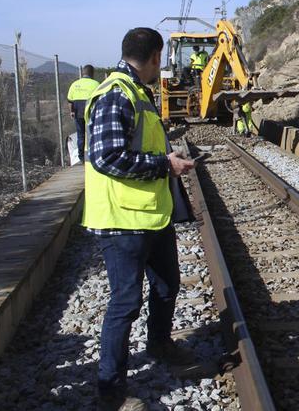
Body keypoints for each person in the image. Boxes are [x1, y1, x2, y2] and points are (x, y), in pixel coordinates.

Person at [84, 27, 196, 411]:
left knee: (167, 286)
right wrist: (164, 164)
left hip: (151, 216)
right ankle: (110, 389)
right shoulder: (115, 95)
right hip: (121, 222)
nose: (160, 66)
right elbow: (108, 157)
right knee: (125, 303)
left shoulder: (138, 94)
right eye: (160, 59)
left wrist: (167, 159)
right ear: (154, 56)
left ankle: (160, 344)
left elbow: (135, 148)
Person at [67, 65, 99, 162]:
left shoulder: (74, 84)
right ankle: (94, 154)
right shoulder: (96, 84)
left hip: (78, 113)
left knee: (80, 135)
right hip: (91, 113)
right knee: (93, 133)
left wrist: (72, 111)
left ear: (83, 73)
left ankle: (81, 157)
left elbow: (70, 101)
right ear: (92, 73)